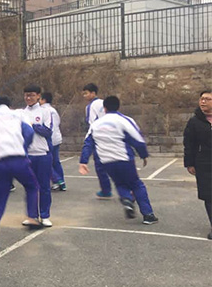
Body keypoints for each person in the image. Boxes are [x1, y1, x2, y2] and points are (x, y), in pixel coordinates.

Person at [79, 96, 158, 225]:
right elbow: (137, 140)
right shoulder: (125, 120)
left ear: (104, 108)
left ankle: (126, 199)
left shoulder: (96, 124)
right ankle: (148, 215)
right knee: (136, 184)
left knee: (120, 184)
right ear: (118, 106)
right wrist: (143, 155)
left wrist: (83, 161)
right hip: (124, 158)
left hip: (106, 160)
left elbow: (88, 143)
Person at [0, 97, 40, 253]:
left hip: (0, 162)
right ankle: (32, 218)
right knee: (32, 186)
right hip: (18, 159)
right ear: (10, 105)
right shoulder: (18, 114)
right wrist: (23, 147)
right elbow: (29, 132)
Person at [183, 89, 212, 239]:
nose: (203, 101)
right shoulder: (194, 121)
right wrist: (189, 163)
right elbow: (189, 143)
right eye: (201, 99)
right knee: (209, 196)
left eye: (207, 99)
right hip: (204, 163)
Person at [23, 85, 54, 227]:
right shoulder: (21, 113)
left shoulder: (45, 112)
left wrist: (32, 126)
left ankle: (45, 215)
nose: (28, 98)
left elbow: (48, 131)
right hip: (27, 155)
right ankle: (32, 216)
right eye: (26, 95)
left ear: (38, 96)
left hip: (43, 154)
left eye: (31, 95)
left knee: (44, 187)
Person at [82, 83, 112, 199]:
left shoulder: (90, 106)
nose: (84, 96)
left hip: (99, 137)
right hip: (111, 135)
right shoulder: (104, 103)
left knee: (100, 166)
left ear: (93, 93)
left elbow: (92, 123)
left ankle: (106, 190)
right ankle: (129, 188)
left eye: (86, 93)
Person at [40, 92, 66, 191]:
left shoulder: (42, 110)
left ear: (43, 100)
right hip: (57, 138)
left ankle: (58, 181)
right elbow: (57, 123)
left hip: (48, 139)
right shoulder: (53, 110)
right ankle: (62, 183)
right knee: (56, 162)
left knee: (47, 163)